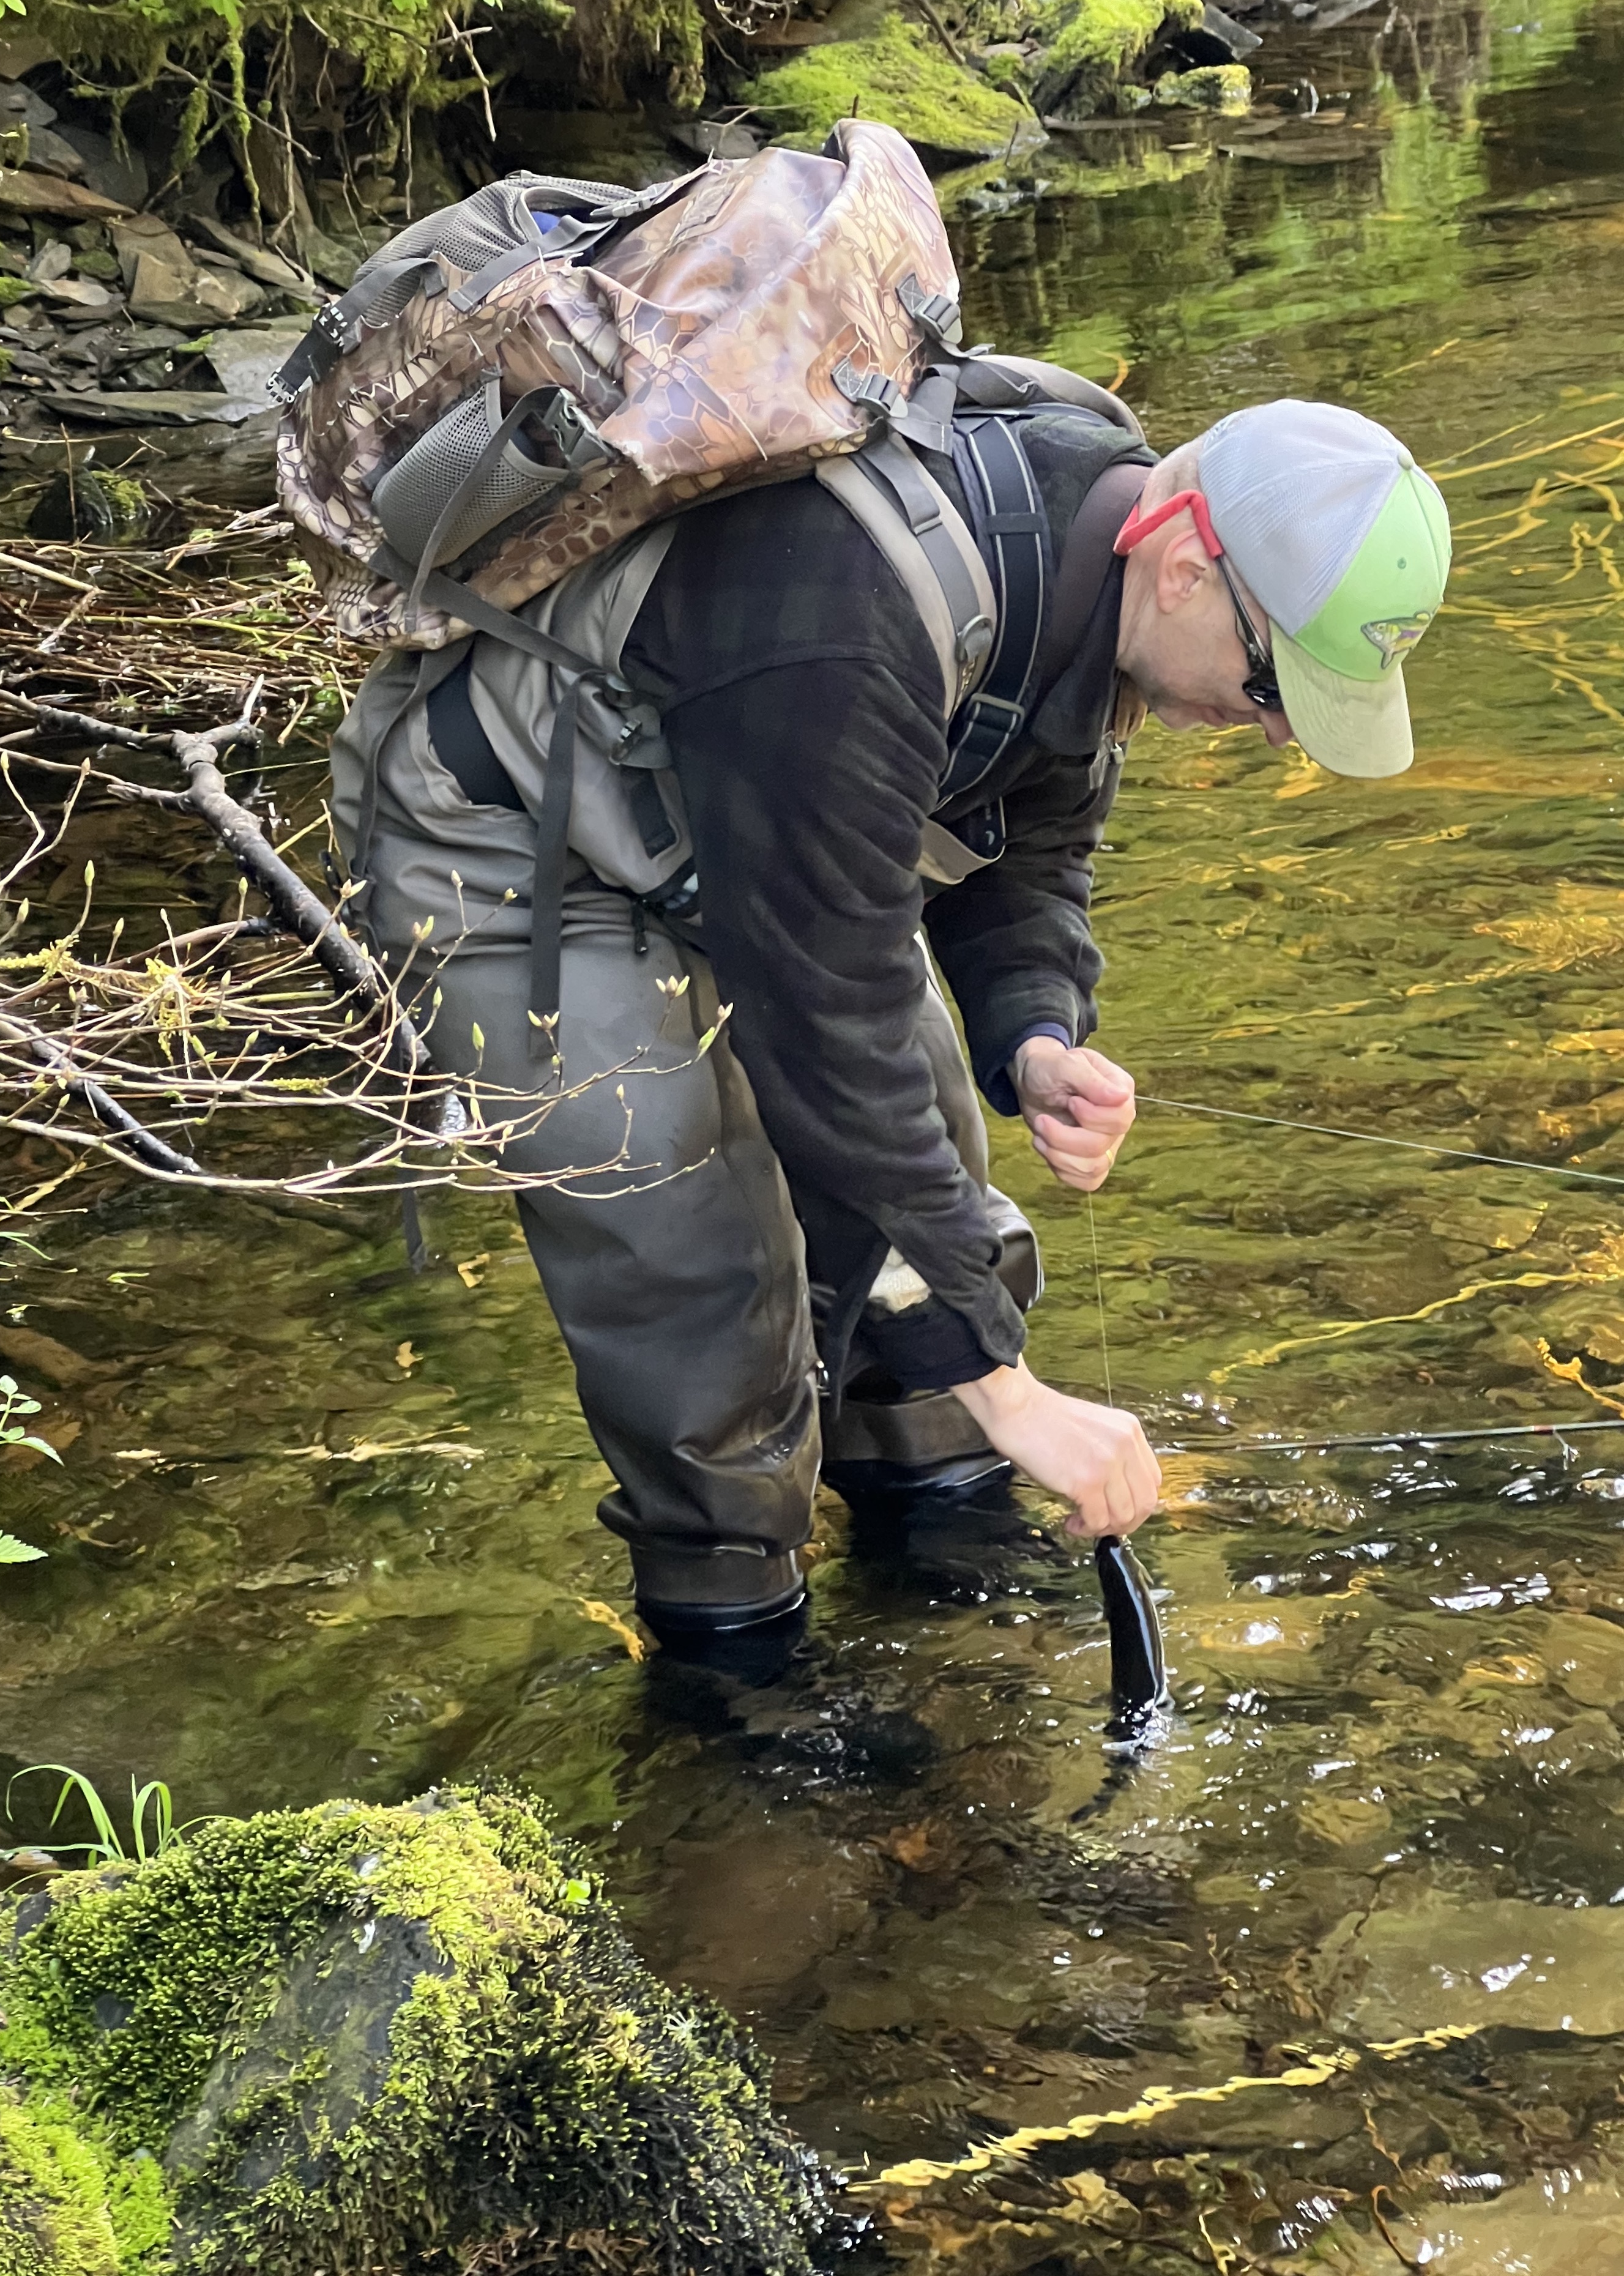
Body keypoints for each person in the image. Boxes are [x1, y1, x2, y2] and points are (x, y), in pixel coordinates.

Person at [340, 395, 1450, 1655]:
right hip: (515, 836)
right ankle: (738, 1661)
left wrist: (1034, 1038)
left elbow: (1029, 844)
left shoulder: (1092, 567)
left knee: (941, 1179)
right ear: (1188, 564)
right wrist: (1010, 1388)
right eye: (1272, 685)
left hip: (756, 826)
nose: (1275, 730)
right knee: (693, 1260)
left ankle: (944, 1540)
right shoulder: (858, 616)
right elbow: (825, 1033)